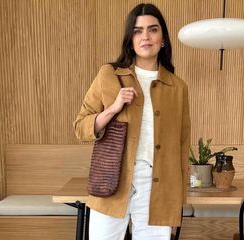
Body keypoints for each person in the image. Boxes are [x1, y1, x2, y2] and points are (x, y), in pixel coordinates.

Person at [73, 3, 191, 240]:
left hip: (157, 188)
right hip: (112, 181)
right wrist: (114, 108)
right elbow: (81, 127)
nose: (145, 37)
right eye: (137, 31)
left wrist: (175, 206)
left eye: (153, 29)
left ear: (163, 37)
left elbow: (181, 148)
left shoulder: (178, 88)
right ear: (130, 39)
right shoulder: (110, 75)